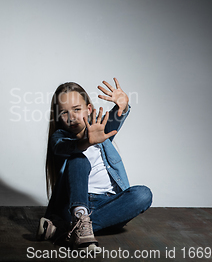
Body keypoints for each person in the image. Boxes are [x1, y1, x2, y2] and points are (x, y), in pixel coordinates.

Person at [36, 78, 152, 251]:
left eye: (77, 110)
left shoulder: (100, 131)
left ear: (88, 109)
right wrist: (85, 142)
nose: (72, 117)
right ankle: (80, 222)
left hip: (109, 205)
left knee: (143, 194)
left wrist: (123, 106)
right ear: (59, 117)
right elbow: (62, 148)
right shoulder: (59, 138)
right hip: (75, 206)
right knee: (78, 159)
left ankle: (65, 230)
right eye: (64, 113)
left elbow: (115, 119)